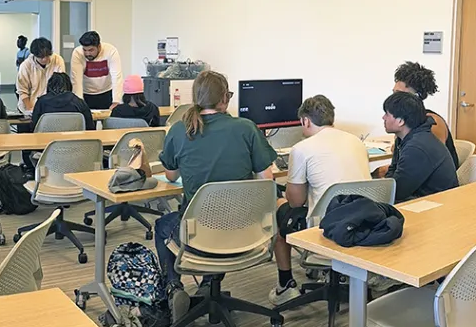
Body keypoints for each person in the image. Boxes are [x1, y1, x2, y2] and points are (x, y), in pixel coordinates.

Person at [154, 71, 277, 288]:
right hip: (246, 231)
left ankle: (172, 288)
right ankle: (209, 287)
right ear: (224, 98)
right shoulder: (246, 128)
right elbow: (266, 180)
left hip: (199, 236)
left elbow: (171, 175)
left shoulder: (180, 129)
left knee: (163, 225)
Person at [270, 95, 369, 303]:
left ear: (305, 121)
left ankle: (285, 285)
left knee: (279, 208)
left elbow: (296, 202)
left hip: (326, 228)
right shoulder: (357, 142)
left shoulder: (302, 148)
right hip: (364, 223)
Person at [381, 91, 459, 201]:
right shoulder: (404, 138)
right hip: (420, 197)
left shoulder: (417, 147)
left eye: (387, 114)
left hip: (435, 205)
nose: (383, 118)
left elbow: (397, 192)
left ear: (400, 121)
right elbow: (393, 171)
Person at [392, 61, 458, 163]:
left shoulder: (433, 124)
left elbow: (430, 162)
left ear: (416, 96)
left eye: (399, 94)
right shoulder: (406, 120)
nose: (393, 99)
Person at [69, 31, 122, 109]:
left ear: (99, 46)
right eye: (85, 50)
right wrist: (79, 102)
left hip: (106, 93)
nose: (87, 54)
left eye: (91, 50)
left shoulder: (111, 51)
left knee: (108, 120)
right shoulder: (77, 53)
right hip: (86, 93)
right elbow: (76, 80)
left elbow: (117, 76)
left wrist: (116, 101)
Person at [15, 37, 64, 113]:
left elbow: (61, 85)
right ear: (34, 55)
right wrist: (30, 109)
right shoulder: (26, 66)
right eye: (41, 57)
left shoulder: (57, 60)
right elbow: (22, 91)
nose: (44, 59)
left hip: (51, 107)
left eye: (47, 56)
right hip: (30, 106)